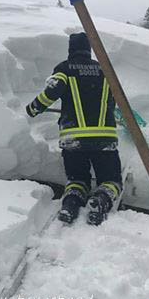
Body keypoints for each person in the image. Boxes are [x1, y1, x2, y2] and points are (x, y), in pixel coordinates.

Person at [26, 32, 122, 226]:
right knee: (111, 180)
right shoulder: (103, 69)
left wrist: (34, 108)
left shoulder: (64, 69)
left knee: (77, 178)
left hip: (74, 137)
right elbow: (116, 96)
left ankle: (71, 202)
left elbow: (52, 91)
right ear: (89, 49)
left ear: (71, 50)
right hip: (105, 137)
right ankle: (101, 199)